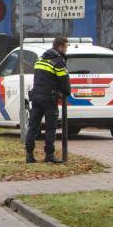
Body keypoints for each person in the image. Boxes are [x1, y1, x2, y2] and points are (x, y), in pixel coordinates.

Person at [25, 36, 72, 164]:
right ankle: (49, 155)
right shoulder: (58, 61)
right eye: (66, 47)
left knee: (33, 127)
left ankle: (29, 155)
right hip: (49, 99)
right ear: (60, 46)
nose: (66, 50)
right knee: (51, 128)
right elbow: (64, 81)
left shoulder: (40, 59)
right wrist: (66, 92)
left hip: (36, 97)